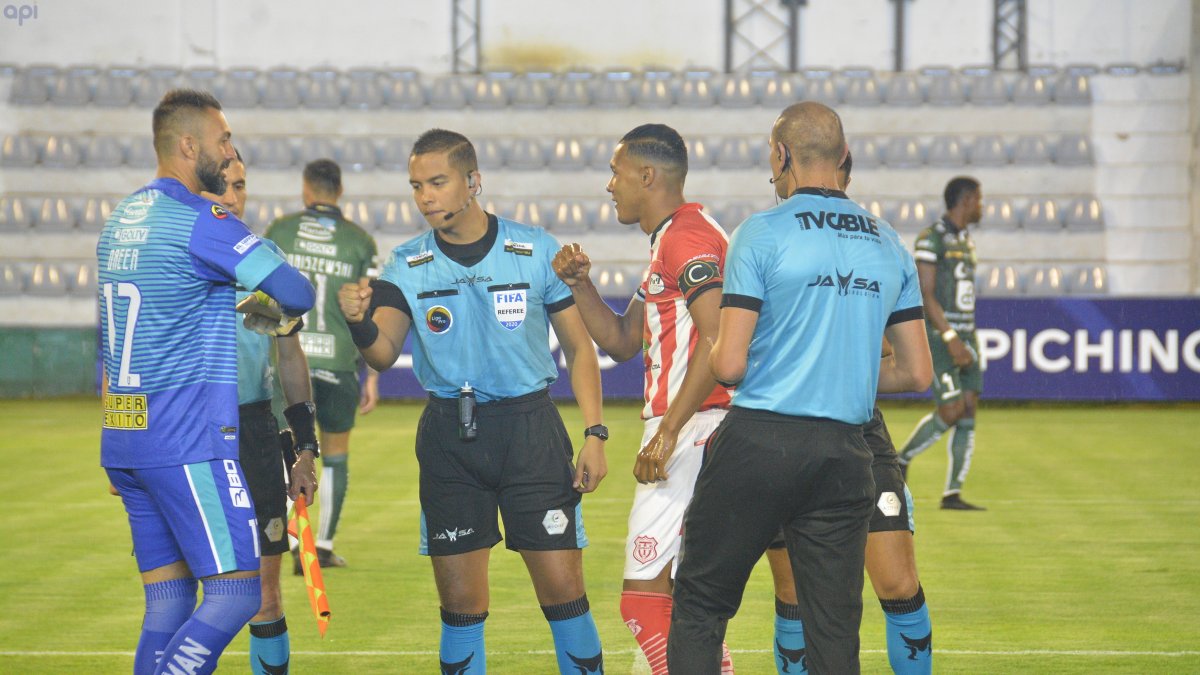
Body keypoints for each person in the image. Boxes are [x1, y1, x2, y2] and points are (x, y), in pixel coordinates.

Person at [666, 101, 932, 674]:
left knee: (701, 605)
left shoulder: (760, 233)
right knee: (833, 627)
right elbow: (917, 374)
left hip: (761, 441)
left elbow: (730, 364)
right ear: (844, 158)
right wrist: (843, 365)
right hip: (844, 452)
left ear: (782, 155)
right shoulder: (889, 244)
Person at [336, 128, 608, 674]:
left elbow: (580, 349)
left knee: (564, 593)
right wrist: (357, 322)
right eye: (417, 186)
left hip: (530, 430)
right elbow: (383, 355)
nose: (426, 196)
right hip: (449, 440)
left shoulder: (534, 250)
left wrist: (595, 434)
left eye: (438, 182)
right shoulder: (406, 264)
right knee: (461, 607)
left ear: (473, 181)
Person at [99, 89, 314, 675]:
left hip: (128, 438)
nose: (228, 151)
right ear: (189, 145)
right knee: (238, 592)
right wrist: (256, 287)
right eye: (222, 140)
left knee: (168, 601)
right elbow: (298, 293)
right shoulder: (202, 220)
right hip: (189, 439)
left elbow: (113, 343)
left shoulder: (122, 219)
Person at [552, 123, 735, 675]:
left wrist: (670, 429)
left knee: (643, 602)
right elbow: (623, 340)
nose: (610, 185)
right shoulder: (670, 240)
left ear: (647, 176)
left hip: (696, 428)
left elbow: (717, 339)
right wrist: (581, 284)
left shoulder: (688, 237)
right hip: (696, 427)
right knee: (684, 604)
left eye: (616, 172)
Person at [763, 152, 933, 675]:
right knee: (792, 587)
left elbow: (891, 354)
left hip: (858, 432)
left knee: (898, 582)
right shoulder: (770, 244)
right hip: (779, 430)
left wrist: (838, 367)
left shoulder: (870, 252)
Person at [201, 152, 321, 675]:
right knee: (182, 591)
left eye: (240, 187)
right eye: (221, 187)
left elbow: (290, 357)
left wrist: (306, 447)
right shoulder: (176, 255)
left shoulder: (265, 260)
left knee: (265, 598)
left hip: (253, 431)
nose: (232, 198)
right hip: (189, 432)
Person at [265, 159, 381, 569]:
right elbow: (367, 309)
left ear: (305, 189)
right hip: (338, 362)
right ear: (340, 191)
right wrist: (368, 372)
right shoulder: (359, 242)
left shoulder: (279, 231)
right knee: (334, 454)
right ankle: (324, 545)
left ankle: (296, 544)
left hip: (284, 359)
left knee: (285, 450)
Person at [896, 177, 985, 511]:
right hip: (941, 336)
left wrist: (965, 338)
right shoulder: (932, 238)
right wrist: (949, 338)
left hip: (968, 334)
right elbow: (925, 292)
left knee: (969, 407)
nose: (981, 206)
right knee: (950, 410)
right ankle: (902, 459)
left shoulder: (965, 240)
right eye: (979, 200)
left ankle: (952, 494)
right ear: (965, 200)